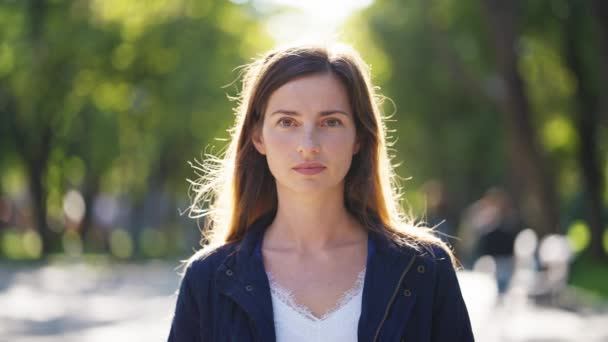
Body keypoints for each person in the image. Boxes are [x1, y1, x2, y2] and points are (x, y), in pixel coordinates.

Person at [168, 43, 474, 342]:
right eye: (287, 122)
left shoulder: (424, 269)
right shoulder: (208, 278)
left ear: (359, 138)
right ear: (258, 137)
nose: (309, 144)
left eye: (331, 122)